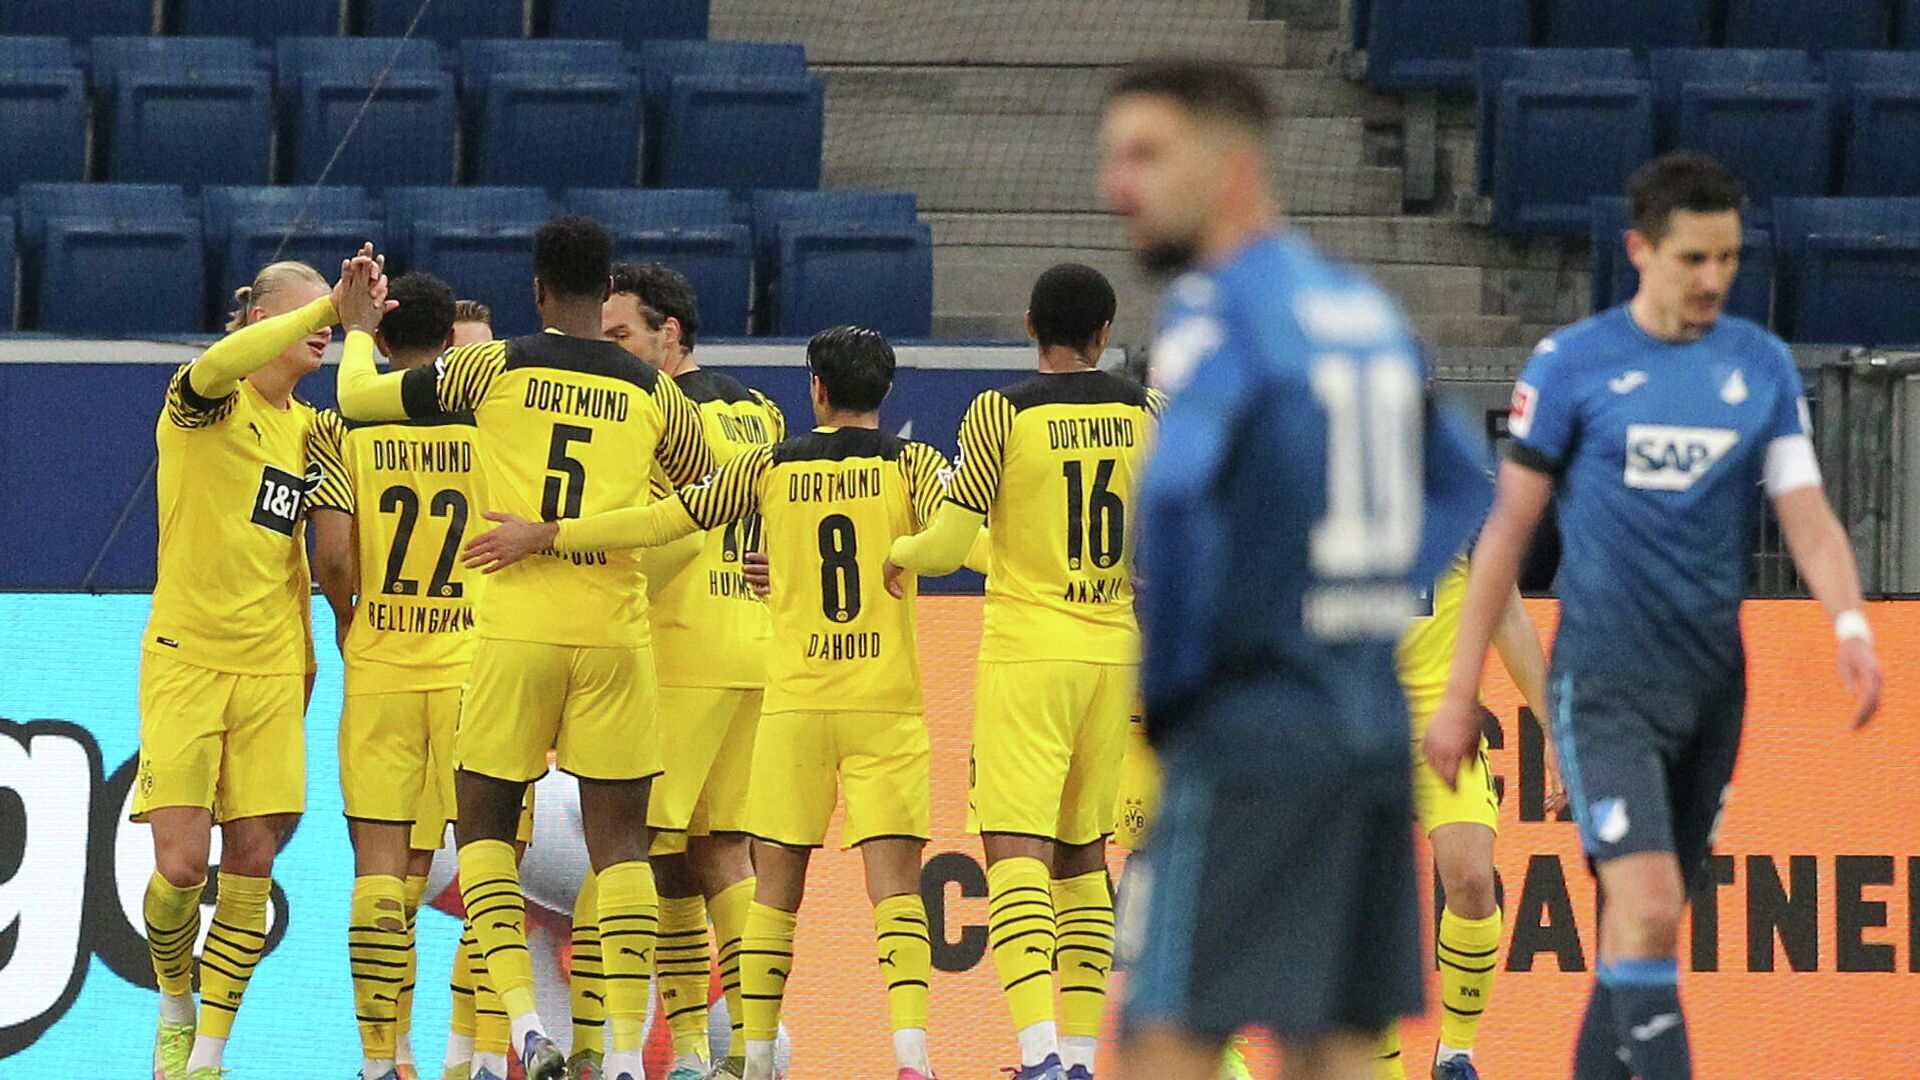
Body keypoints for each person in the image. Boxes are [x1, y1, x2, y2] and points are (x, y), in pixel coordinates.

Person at [1423, 151, 1882, 1080]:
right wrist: (1462, 687)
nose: (1714, 280)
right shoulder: (1573, 365)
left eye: (1728, 260)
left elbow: (1806, 512)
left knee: (1642, 931)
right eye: (1693, 260)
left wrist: (1849, 624)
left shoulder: (1757, 363)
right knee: (1651, 900)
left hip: (1713, 681)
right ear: (1640, 250)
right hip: (1604, 680)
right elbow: (1504, 537)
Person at [1098, 59, 1491, 1080]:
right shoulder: (1360, 308)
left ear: (1231, 167)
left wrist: (1176, 691)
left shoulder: (1215, 312)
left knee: (1161, 1033)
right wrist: (1357, 599)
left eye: (1146, 155)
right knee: (1332, 1045)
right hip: (1366, 721)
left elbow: (1178, 500)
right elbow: (1462, 486)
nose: (1116, 187)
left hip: (1253, 725)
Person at [462, 326, 956, 1080]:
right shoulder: (911, 461)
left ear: (815, 389)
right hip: (870, 699)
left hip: (770, 693)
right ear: (887, 394)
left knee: (728, 880)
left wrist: (551, 534)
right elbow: (959, 544)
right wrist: (903, 556)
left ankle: (690, 1054)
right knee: (853, 880)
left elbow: (665, 525)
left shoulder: (766, 465)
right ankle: (912, 1058)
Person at [334, 215, 717, 1080]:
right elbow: (697, 506)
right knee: (624, 848)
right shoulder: (656, 393)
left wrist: (359, 333)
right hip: (615, 632)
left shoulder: (491, 365)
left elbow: (359, 401)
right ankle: (622, 1057)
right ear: (602, 286)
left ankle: (522, 1029)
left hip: (510, 633)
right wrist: (583, 537)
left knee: (483, 838)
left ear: (538, 289)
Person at [886, 262, 1160, 1080]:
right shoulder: (1151, 411)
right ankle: (1077, 1058)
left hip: (1028, 656)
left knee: (1016, 851)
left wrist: (895, 553)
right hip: (1115, 652)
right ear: (1105, 336)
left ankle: (1037, 1051)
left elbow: (943, 547)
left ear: (1030, 324)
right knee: (1084, 858)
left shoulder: (999, 412)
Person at [139, 249, 384, 1080]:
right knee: (179, 865)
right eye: (307, 315)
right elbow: (216, 364)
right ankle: (174, 997)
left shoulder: (316, 432)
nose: (322, 327)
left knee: (253, 858)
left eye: (329, 313)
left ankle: (206, 1055)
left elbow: (335, 552)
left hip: (276, 664)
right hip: (187, 655)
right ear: (263, 319)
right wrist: (331, 312)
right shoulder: (201, 402)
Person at [602, 262, 786, 1080]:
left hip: (678, 651)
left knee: (629, 850)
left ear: (669, 334)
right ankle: (743, 1053)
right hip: (754, 649)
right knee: (718, 855)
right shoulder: (762, 412)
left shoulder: (657, 411)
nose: (616, 353)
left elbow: (647, 535)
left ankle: (620, 1053)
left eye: (623, 337)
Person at [1374, 551, 1558, 1080]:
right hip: (1352, 724)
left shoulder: (1461, 487)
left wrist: (1550, 724)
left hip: (1440, 727)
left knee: (1474, 880)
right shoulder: (1327, 478)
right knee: (1364, 901)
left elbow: (1505, 609)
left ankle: (1455, 1054)